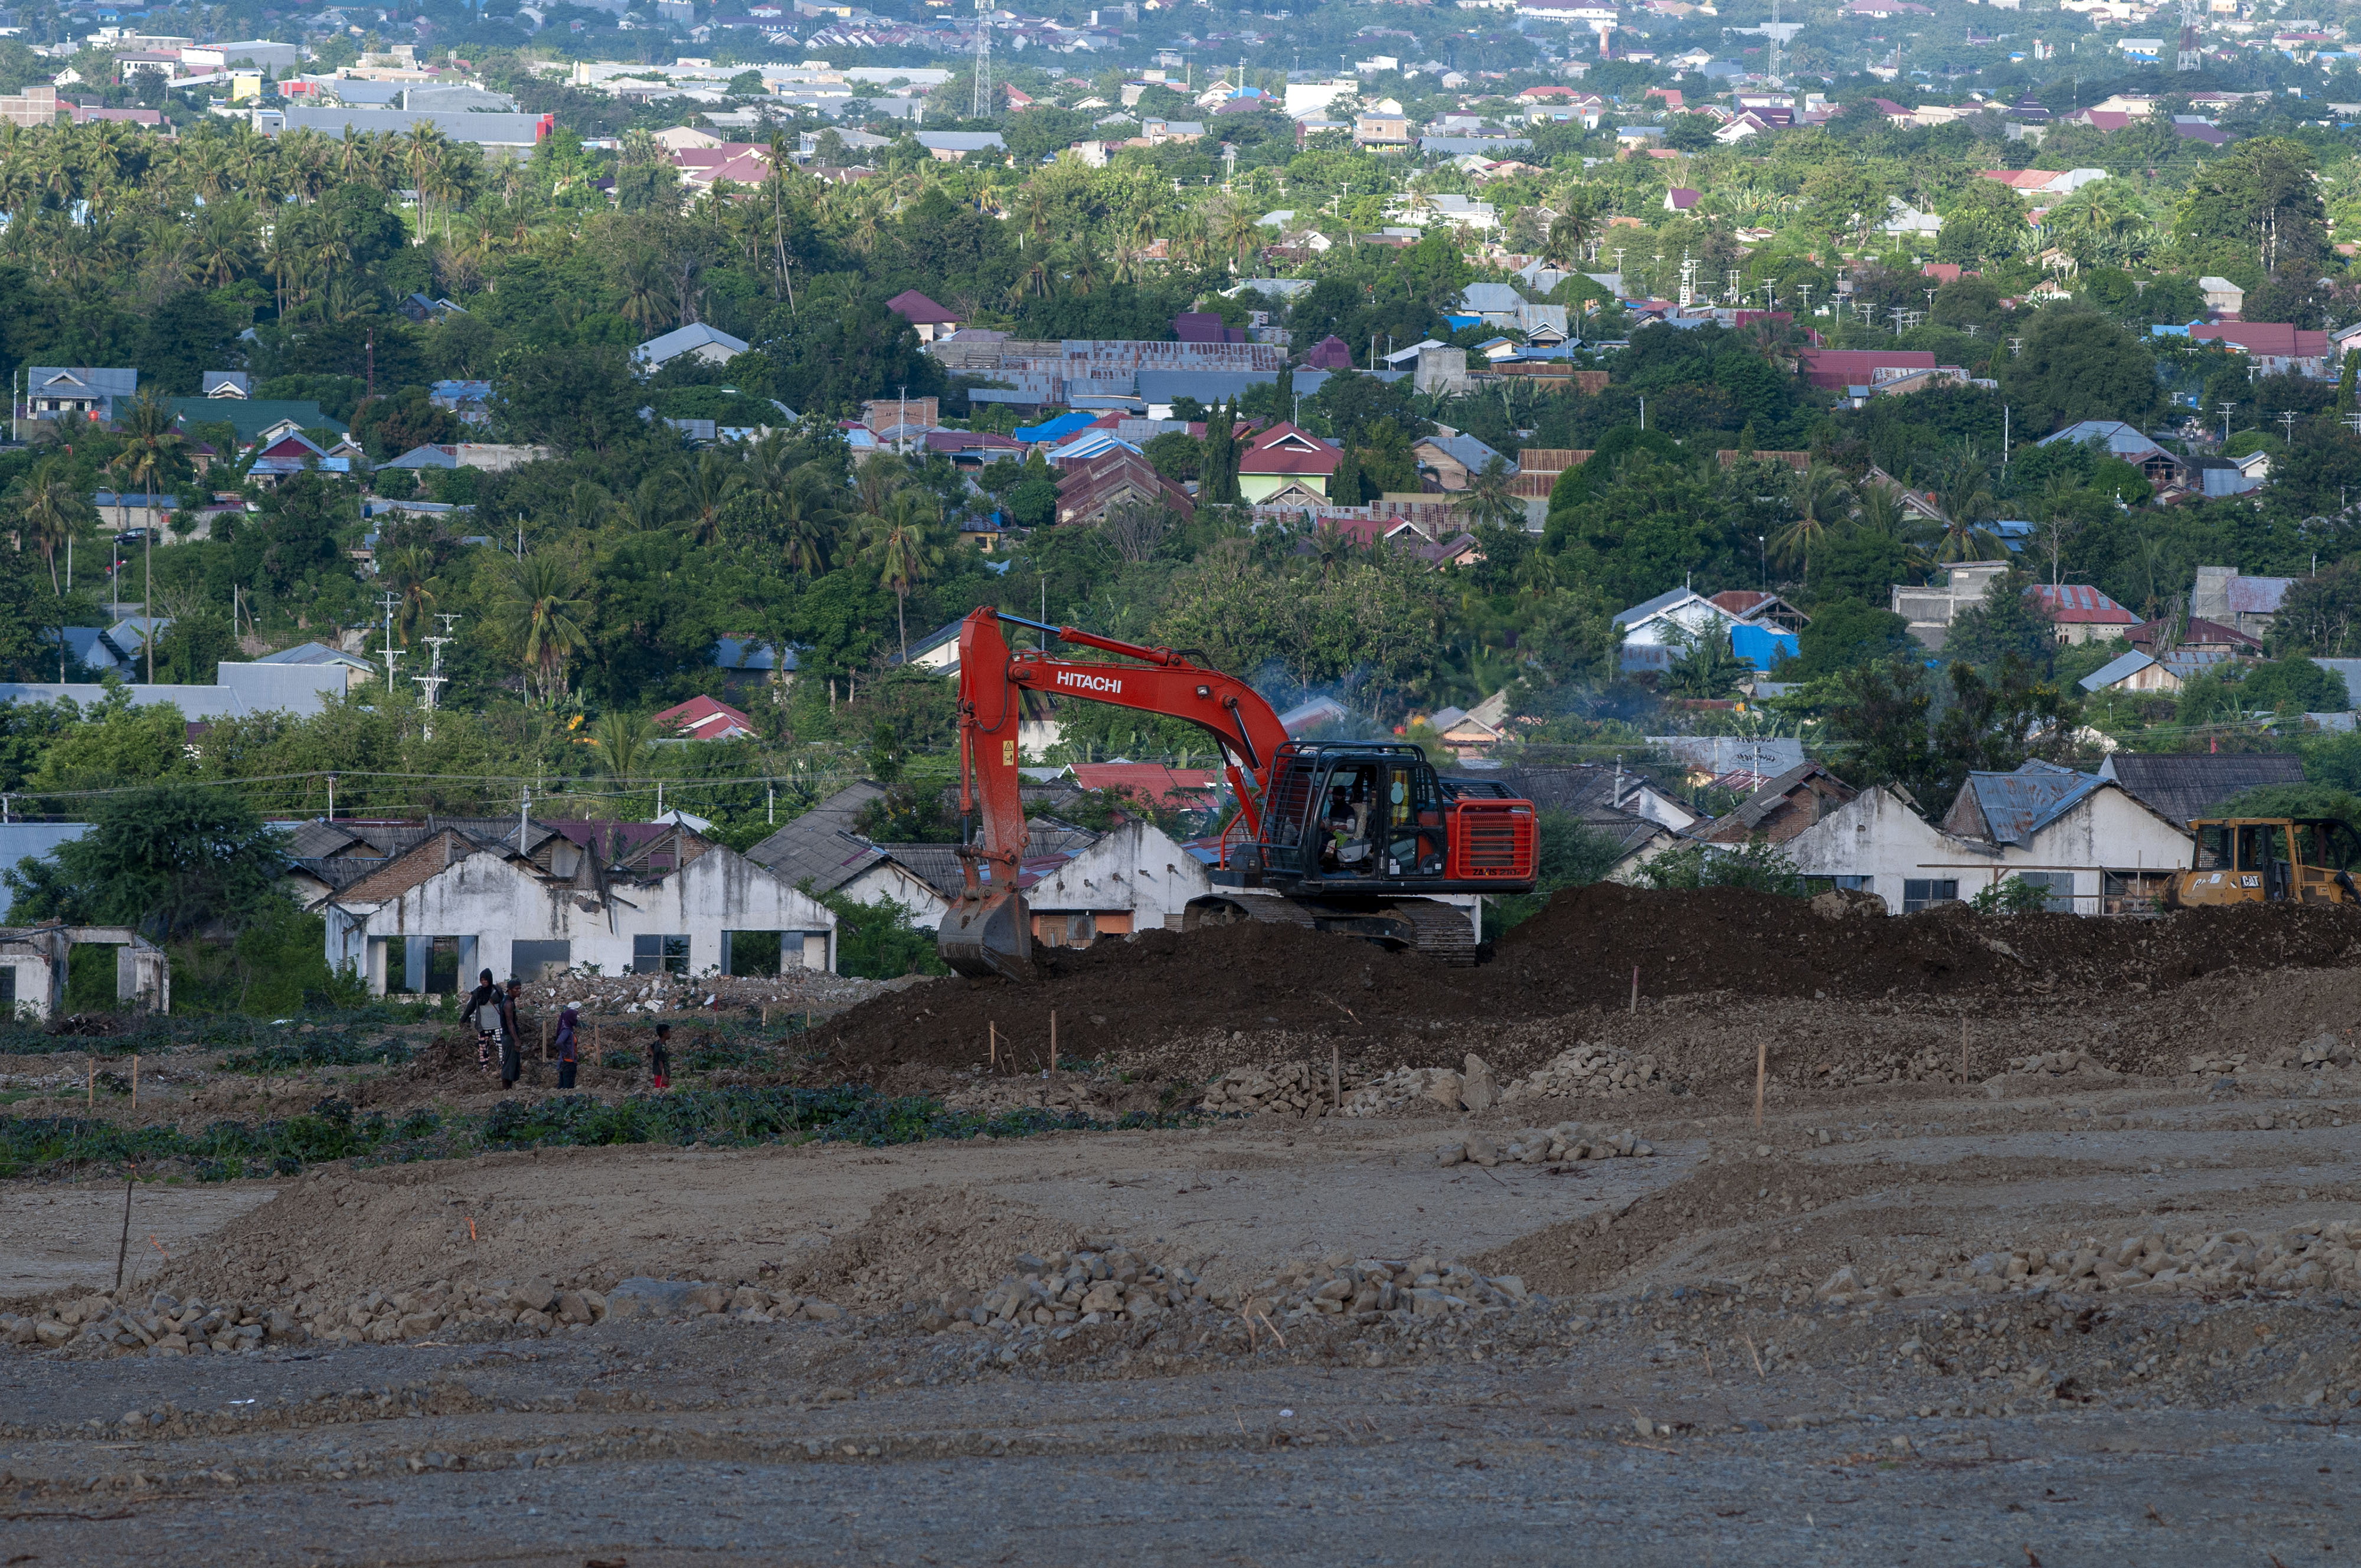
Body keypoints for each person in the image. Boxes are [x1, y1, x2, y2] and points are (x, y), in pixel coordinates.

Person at [465, 969, 500, 1073]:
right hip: (483, 1026)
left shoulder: (497, 991)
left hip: (497, 1025)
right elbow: (470, 1007)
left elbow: (505, 1006)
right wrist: (463, 1019)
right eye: (482, 980)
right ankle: (484, 1068)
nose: (484, 982)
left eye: (486, 980)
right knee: (483, 1049)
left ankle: (503, 1066)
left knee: (501, 1046)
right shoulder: (478, 993)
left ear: (490, 980)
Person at [497, 978, 524, 1091]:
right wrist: (516, 1040)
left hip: (508, 1036)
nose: (519, 991)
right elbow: (510, 1023)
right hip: (509, 1037)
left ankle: (508, 1089)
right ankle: (506, 1089)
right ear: (509, 990)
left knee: (512, 1063)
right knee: (509, 1064)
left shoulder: (508, 1001)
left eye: (520, 989)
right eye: (516, 989)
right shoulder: (508, 1004)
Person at [554, 1004, 579, 1091]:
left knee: (563, 1088)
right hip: (568, 1063)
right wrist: (566, 1052)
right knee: (568, 1088)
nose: (576, 1019)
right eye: (574, 1017)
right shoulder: (567, 1031)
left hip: (569, 1062)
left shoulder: (569, 1030)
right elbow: (559, 1042)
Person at [649, 1021, 671, 1091]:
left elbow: (649, 1048)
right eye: (669, 1032)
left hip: (657, 1073)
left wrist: (655, 1056)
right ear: (664, 1034)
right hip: (660, 1074)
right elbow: (660, 1062)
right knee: (662, 1092)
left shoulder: (658, 1042)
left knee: (660, 1090)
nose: (670, 1034)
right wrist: (664, 1076)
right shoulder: (662, 1047)